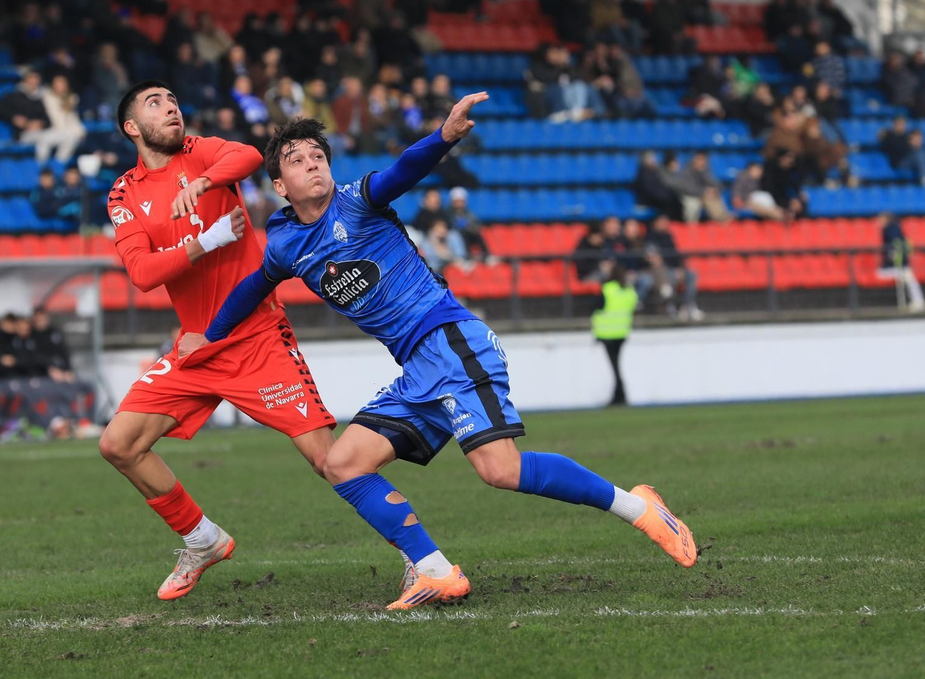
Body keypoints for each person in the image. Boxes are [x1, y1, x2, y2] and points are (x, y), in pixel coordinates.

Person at [182, 103, 696, 612]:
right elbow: (253, 288)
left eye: (319, 154)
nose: (313, 163)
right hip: (419, 369)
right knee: (342, 464)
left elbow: (402, 171)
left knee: (500, 471)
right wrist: (210, 336)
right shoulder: (286, 243)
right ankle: (435, 570)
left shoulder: (356, 201)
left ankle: (639, 507)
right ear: (279, 184)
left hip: (450, 342)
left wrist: (444, 137)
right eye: (297, 159)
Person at [97, 82, 337, 601]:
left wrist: (204, 183)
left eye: (173, 99)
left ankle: (422, 558)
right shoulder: (124, 193)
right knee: (119, 444)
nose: (171, 107)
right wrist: (207, 242)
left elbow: (250, 155)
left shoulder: (200, 151)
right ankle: (201, 539)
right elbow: (141, 272)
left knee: (329, 462)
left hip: (256, 336)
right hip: (196, 348)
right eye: (155, 104)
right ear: (132, 128)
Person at [589, 264, 638, 406]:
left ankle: (619, 395)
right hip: (622, 332)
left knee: (614, 366)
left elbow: (597, 306)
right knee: (616, 365)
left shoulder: (608, 289)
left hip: (606, 333)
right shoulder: (629, 291)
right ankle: (619, 394)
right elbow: (633, 306)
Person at [876, 210, 925, 313]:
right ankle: (918, 301)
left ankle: (918, 302)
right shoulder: (890, 230)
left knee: (907, 276)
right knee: (906, 276)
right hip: (894, 265)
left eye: (881, 219)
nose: (878, 221)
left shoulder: (892, 229)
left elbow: (898, 247)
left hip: (898, 264)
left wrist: (897, 259)